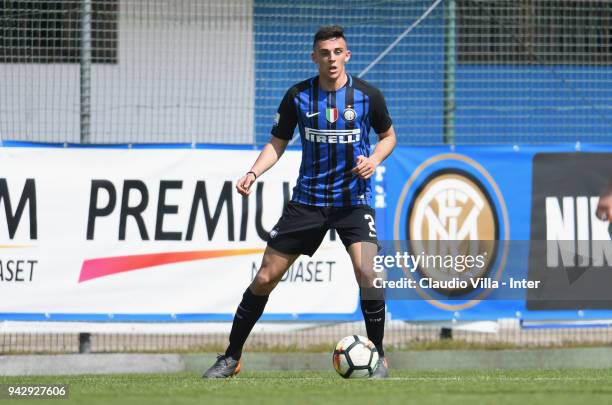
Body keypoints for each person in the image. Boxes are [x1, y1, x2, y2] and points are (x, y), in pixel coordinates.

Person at [203, 25, 397, 379]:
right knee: (265, 276)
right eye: (325, 53)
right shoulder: (298, 96)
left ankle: (379, 356)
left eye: (338, 52)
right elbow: (277, 142)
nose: (332, 59)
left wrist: (374, 160)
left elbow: (388, 137)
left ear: (347, 55)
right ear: (315, 57)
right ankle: (230, 358)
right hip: (307, 202)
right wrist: (252, 173)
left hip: (354, 201)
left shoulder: (368, 96)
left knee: (368, 271)